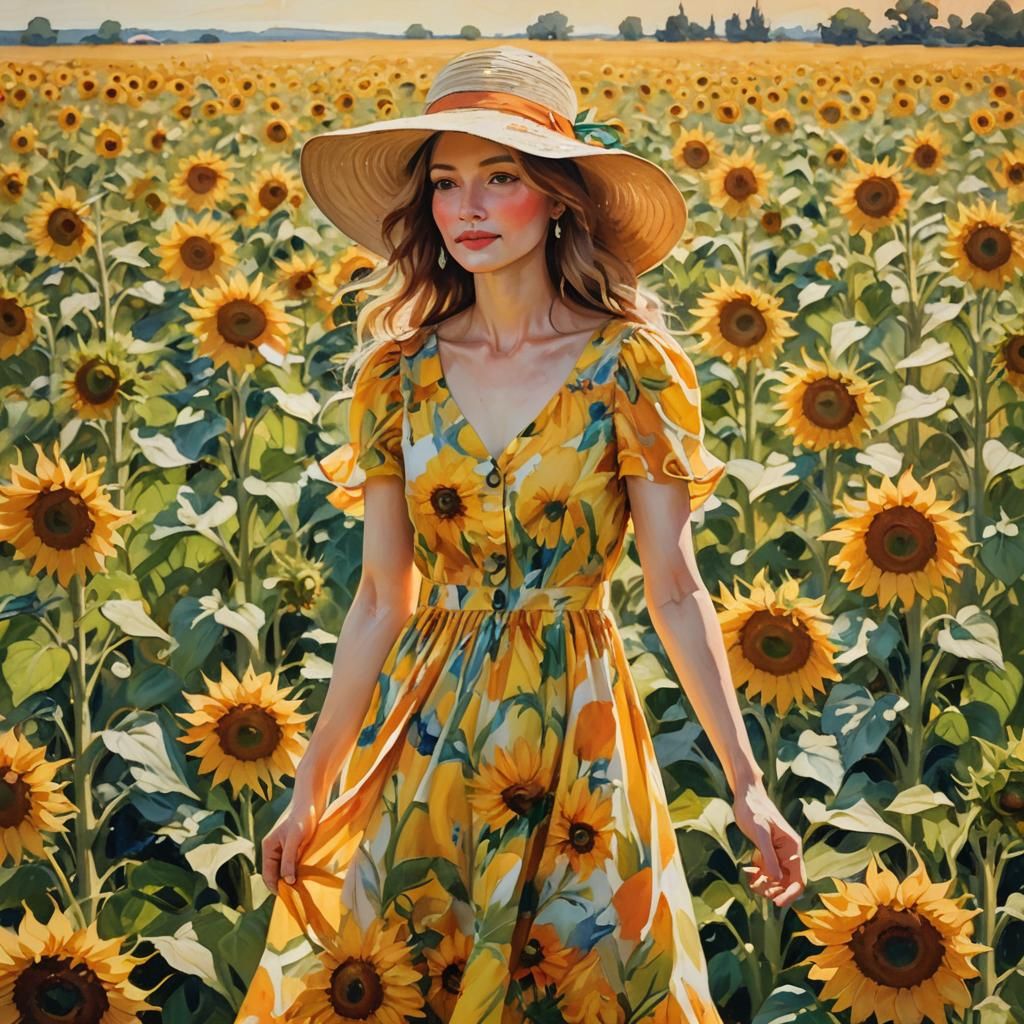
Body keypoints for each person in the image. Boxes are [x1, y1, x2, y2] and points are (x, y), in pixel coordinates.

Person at [236, 44, 805, 1024]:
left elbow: (674, 587)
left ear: (558, 201)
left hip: (579, 729)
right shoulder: (398, 375)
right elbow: (380, 597)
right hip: (431, 732)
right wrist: (309, 787)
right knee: (399, 977)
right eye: (448, 182)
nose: (469, 207)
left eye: (501, 177)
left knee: (594, 984)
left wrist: (746, 785)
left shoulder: (633, 366)